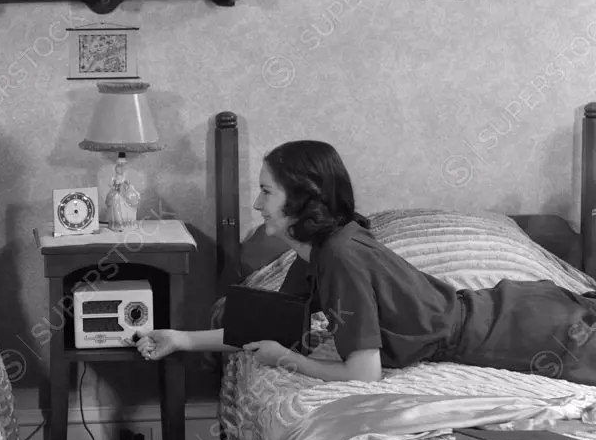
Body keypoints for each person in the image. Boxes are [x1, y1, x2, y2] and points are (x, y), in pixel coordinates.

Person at [135, 140, 596, 387]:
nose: (257, 203)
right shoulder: (314, 249)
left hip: (526, 332)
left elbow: (363, 373)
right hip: (518, 312)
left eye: (267, 191)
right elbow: (270, 326)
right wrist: (180, 339)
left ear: (301, 198)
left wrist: (290, 361)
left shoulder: (339, 256)